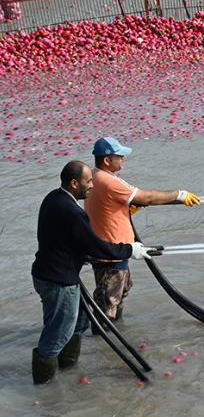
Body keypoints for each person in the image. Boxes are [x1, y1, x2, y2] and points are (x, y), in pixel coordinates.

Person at [31, 161, 151, 385]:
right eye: (88, 182)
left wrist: (82, 255)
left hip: (47, 274)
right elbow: (96, 246)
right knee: (57, 334)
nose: (92, 187)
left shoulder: (53, 198)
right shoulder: (74, 212)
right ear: (74, 183)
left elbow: (62, 240)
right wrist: (130, 249)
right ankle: (44, 390)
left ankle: (68, 371)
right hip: (59, 282)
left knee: (79, 323)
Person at [85, 137, 201, 321]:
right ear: (107, 160)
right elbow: (146, 197)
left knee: (118, 295)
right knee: (107, 308)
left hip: (113, 250)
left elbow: (106, 207)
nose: (123, 158)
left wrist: (126, 209)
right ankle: (108, 342)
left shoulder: (95, 176)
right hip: (110, 253)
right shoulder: (108, 181)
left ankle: (109, 342)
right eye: (119, 155)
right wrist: (179, 194)